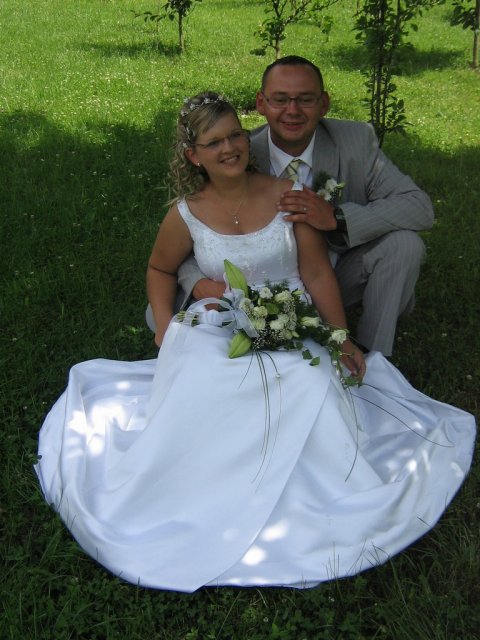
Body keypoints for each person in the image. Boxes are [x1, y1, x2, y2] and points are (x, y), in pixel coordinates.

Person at [35, 92, 475, 593]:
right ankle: (207, 479)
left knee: (306, 377)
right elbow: (159, 268)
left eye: (235, 136)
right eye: (214, 142)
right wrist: (164, 325)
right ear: (193, 155)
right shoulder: (186, 213)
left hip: (291, 315)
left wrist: (339, 337)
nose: (230, 148)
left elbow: (316, 271)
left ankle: (300, 486)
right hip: (220, 320)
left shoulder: (287, 195)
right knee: (204, 372)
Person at [172, 56, 434, 357]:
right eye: (280, 99)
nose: (292, 111)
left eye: (306, 99)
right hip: (263, 289)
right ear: (261, 103)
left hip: (339, 274)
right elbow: (194, 229)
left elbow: (419, 207)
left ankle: (372, 358)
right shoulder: (237, 153)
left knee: (405, 245)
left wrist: (337, 218)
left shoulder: (357, 142)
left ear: (324, 104)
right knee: (165, 313)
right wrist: (196, 282)